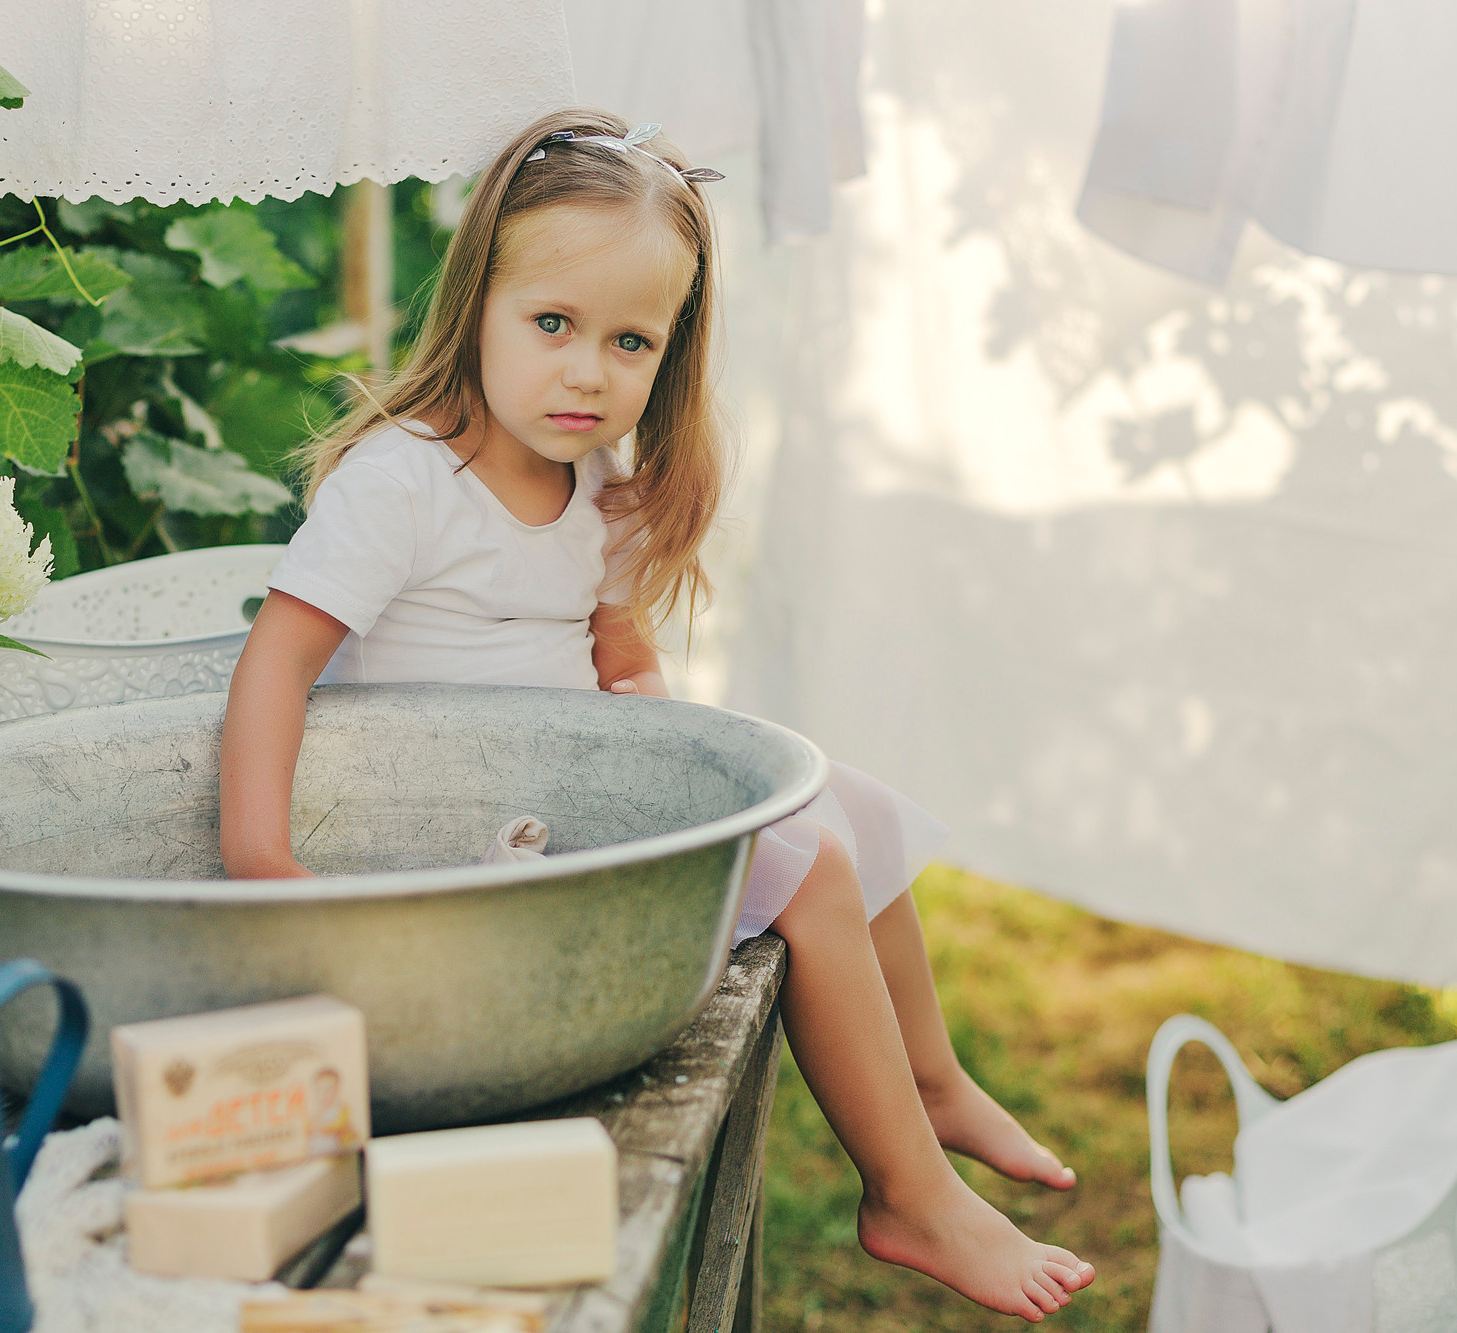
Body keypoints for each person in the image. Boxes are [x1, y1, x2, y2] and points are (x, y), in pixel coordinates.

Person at [217, 109, 1095, 1320]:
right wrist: (262, 859)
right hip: (466, 830)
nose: (587, 371)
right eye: (551, 324)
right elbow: (276, 663)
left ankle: (930, 1078)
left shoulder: (597, 484)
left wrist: (691, 781)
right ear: (476, 302)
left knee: (837, 799)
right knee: (811, 865)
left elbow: (622, 658)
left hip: (573, 784)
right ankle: (907, 1193)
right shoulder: (404, 480)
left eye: (629, 341)